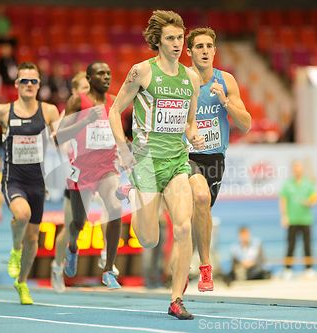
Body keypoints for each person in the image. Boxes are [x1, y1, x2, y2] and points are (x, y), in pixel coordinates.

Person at [108, 10, 204, 320]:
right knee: (150, 239)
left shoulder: (191, 78)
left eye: (181, 38)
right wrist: (122, 148)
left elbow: (189, 123)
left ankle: (176, 299)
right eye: (171, 39)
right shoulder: (142, 72)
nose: (178, 44)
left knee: (184, 226)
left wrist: (195, 134)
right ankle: (136, 196)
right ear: (158, 42)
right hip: (146, 164)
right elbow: (114, 112)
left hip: (177, 161)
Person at [0, 62, 59, 305]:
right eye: (25, 81)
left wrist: (60, 138)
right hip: (13, 179)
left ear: (39, 85)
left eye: (34, 81)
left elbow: (63, 140)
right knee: (21, 215)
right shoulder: (4, 111)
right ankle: (15, 250)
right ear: (16, 85)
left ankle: (22, 282)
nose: (30, 85)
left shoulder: (49, 111)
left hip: (37, 183)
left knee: (33, 239)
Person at [185, 27, 251, 292]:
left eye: (208, 46)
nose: (204, 51)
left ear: (214, 51)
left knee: (203, 209)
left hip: (215, 158)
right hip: (186, 155)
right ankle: (204, 266)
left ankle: (185, 261)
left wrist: (224, 101)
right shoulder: (179, 80)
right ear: (189, 52)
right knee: (199, 198)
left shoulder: (227, 81)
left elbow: (246, 124)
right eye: (198, 46)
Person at [52, 62, 123, 291]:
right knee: (78, 223)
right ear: (90, 78)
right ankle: (73, 248)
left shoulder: (115, 102)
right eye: (101, 73)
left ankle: (108, 269)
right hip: (81, 169)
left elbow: (120, 132)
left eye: (109, 73)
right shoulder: (77, 101)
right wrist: (85, 121)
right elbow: (58, 137)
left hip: (107, 167)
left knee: (115, 207)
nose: (106, 77)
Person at [50, 71, 90, 293]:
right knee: (72, 226)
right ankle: (57, 266)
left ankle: (107, 260)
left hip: (95, 176)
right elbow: (60, 142)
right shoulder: (69, 114)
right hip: (74, 178)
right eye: (84, 89)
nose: (87, 94)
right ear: (75, 92)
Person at [279, 159, 317, 279]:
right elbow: (283, 200)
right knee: (290, 245)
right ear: (293, 170)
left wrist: (309, 202)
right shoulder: (287, 184)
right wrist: (284, 216)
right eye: (295, 168)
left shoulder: (308, 183)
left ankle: (309, 269)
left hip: (306, 219)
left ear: (302, 169)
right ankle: (287, 269)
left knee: (307, 245)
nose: (297, 170)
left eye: (299, 168)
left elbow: (315, 198)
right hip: (292, 220)